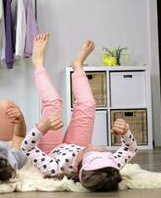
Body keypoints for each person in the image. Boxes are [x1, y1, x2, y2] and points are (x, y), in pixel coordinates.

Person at [22, 33, 138, 192]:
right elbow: (130, 149)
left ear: (77, 166)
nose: (98, 147)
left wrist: (42, 128)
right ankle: (77, 65)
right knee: (88, 104)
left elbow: (27, 148)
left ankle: (38, 63)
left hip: (50, 151)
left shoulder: (55, 168)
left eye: (93, 150)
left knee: (54, 103)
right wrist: (125, 132)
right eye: (104, 151)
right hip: (75, 145)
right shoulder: (110, 166)